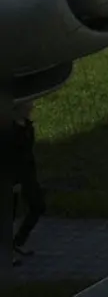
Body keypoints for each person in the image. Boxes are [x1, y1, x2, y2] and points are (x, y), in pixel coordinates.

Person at [11, 101, 45, 265]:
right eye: (27, 105)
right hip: (12, 177)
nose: (31, 107)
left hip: (28, 175)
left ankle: (17, 242)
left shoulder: (27, 126)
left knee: (38, 206)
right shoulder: (9, 130)